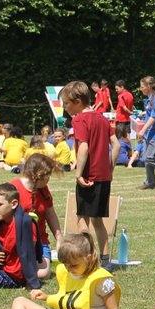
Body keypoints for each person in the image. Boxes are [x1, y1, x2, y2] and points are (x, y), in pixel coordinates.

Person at [5, 232, 120, 309]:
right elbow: (68, 297)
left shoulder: (101, 280)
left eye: (73, 265)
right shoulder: (67, 272)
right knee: (20, 301)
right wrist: (46, 297)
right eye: (66, 265)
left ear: (89, 258)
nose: (69, 269)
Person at [60, 81, 120, 265]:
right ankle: (105, 259)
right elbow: (116, 145)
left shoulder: (78, 120)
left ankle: (88, 257)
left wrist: (78, 174)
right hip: (103, 177)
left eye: (67, 103)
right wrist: (109, 168)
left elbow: (83, 147)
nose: (65, 108)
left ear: (77, 101)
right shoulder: (102, 118)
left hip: (88, 177)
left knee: (82, 218)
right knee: (98, 221)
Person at [9, 153, 61, 266]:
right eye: (48, 175)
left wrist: (59, 239)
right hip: (16, 241)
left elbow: (51, 215)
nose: (49, 179)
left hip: (40, 242)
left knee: (44, 272)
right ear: (39, 175)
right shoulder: (13, 188)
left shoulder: (43, 189)